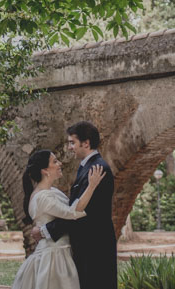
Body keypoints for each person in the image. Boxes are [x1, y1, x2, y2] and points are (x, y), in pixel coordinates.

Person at [31, 121, 117, 289]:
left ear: (86, 143)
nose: (69, 147)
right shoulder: (88, 167)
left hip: (94, 247)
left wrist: (45, 230)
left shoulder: (97, 168)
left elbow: (80, 211)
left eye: (72, 142)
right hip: (88, 245)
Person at [11, 149, 106, 289]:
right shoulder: (43, 197)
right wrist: (91, 186)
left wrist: (43, 231)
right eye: (55, 161)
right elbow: (72, 213)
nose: (60, 163)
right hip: (53, 257)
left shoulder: (52, 192)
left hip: (59, 251)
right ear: (45, 170)